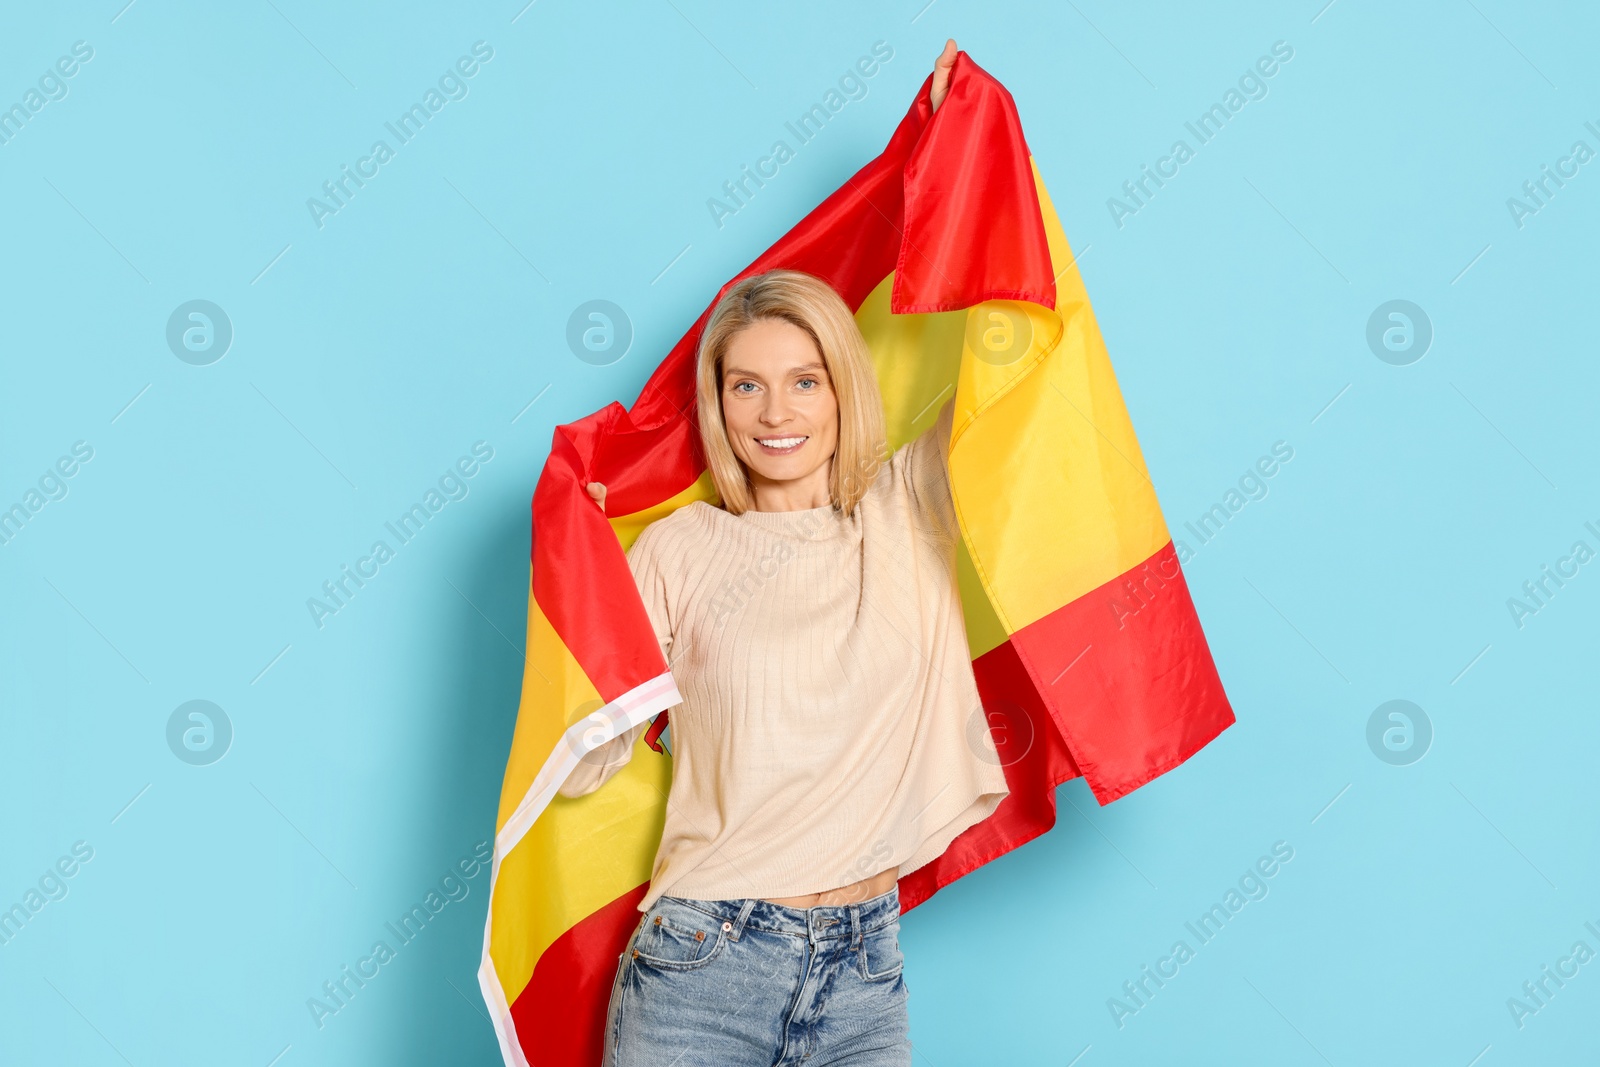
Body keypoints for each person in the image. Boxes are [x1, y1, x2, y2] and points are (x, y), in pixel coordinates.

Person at [566, 39, 1006, 1067]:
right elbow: (589, 754)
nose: (775, 412)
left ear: (844, 389)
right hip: (700, 964)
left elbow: (1002, 341)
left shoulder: (910, 510)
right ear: (716, 403)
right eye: (745, 384)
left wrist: (958, 141)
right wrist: (579, 589)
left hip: (864, 966)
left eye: (805, 380)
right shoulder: (679, 547)